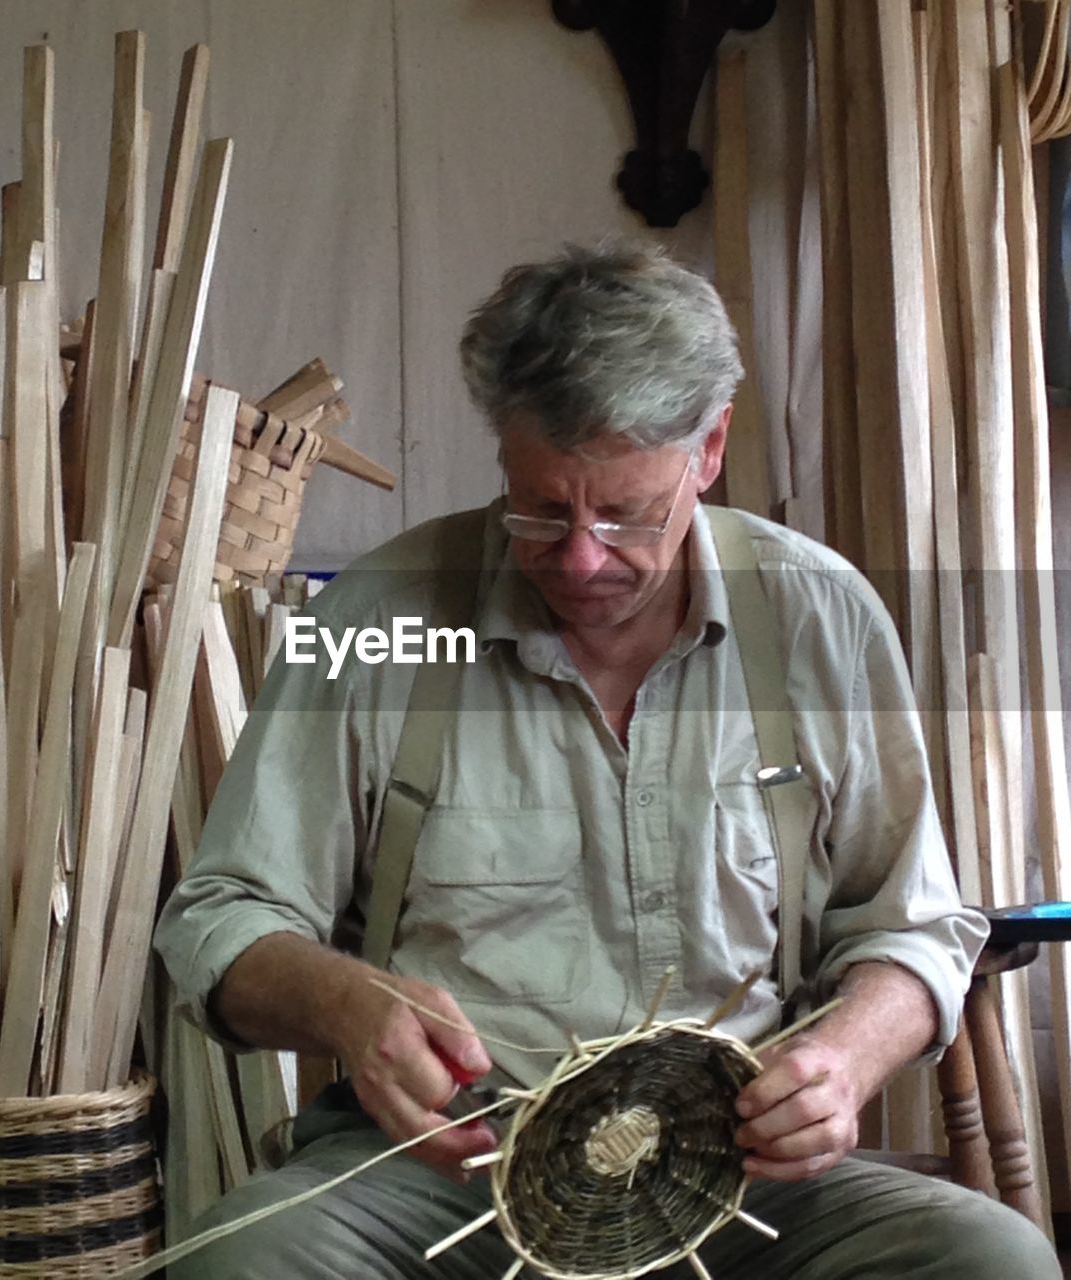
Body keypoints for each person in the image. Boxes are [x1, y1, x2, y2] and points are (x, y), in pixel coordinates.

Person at [154, 241, 1060, 1278]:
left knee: (989, 1257)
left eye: (625, 512)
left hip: (731, 1173)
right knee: (242, 1262)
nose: (579, 556)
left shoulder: (819, 616)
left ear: (707, 449)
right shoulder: (377, 617)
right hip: (450, 1167)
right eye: (541, 506)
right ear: (501, 450)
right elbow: (220, 913)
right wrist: (347, 1002)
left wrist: (840, 1058)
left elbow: (911, 923)